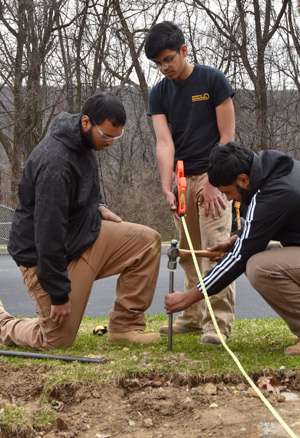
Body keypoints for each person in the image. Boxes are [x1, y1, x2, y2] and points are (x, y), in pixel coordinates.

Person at [2, 91, 162, 350]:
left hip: (81, 238)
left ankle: (125, 327)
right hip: (42, 256)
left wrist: (97, 205)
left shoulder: (85, 142)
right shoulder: (55, 164)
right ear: (86, 122)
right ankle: (3, 323)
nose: (111, 143)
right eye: (107, 136)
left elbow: (85, 182)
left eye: (116, 136)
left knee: (147, 242)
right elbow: (48, 236)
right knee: (56, 340)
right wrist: (58, 294)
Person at [145, 21, 235, 344]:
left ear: (184, 50)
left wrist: (215, 180)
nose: (164, 67)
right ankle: (192, 317)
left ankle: (217, 325)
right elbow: (164, 142)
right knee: (188, 253)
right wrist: (167, 186)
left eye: (169, 59)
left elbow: (227, 138)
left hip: (214, 180)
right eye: (158, 63)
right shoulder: (159, 94)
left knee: (215, 252)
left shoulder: (212, 80)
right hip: (182, 182)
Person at [165, 141, 300, 356]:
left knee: (259, 266)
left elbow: (239, 258)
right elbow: (264, 223)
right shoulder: (272, 168)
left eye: (227, 192)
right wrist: (235, 239)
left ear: (243, 179)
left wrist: (188, 297)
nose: (228, 198)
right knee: (257, 258)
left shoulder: (275, 192)